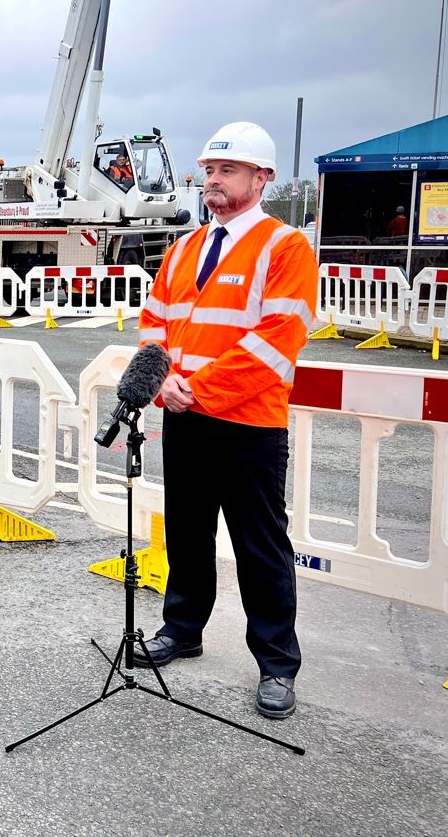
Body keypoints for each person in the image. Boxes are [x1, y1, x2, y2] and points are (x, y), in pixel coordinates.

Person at [137, 121, 317, 720]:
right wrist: (162, 382)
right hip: (185, 414)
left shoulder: (284, 246)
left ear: (261, 178)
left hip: (249, 423)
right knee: (187, 533)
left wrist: (198, 391)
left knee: (259, 545)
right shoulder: (185, 247)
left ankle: (276, 664)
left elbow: (277, 340)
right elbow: (153, 324)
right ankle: (182, 629)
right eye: (209, 170)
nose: (212, 179)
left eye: (227, 170)